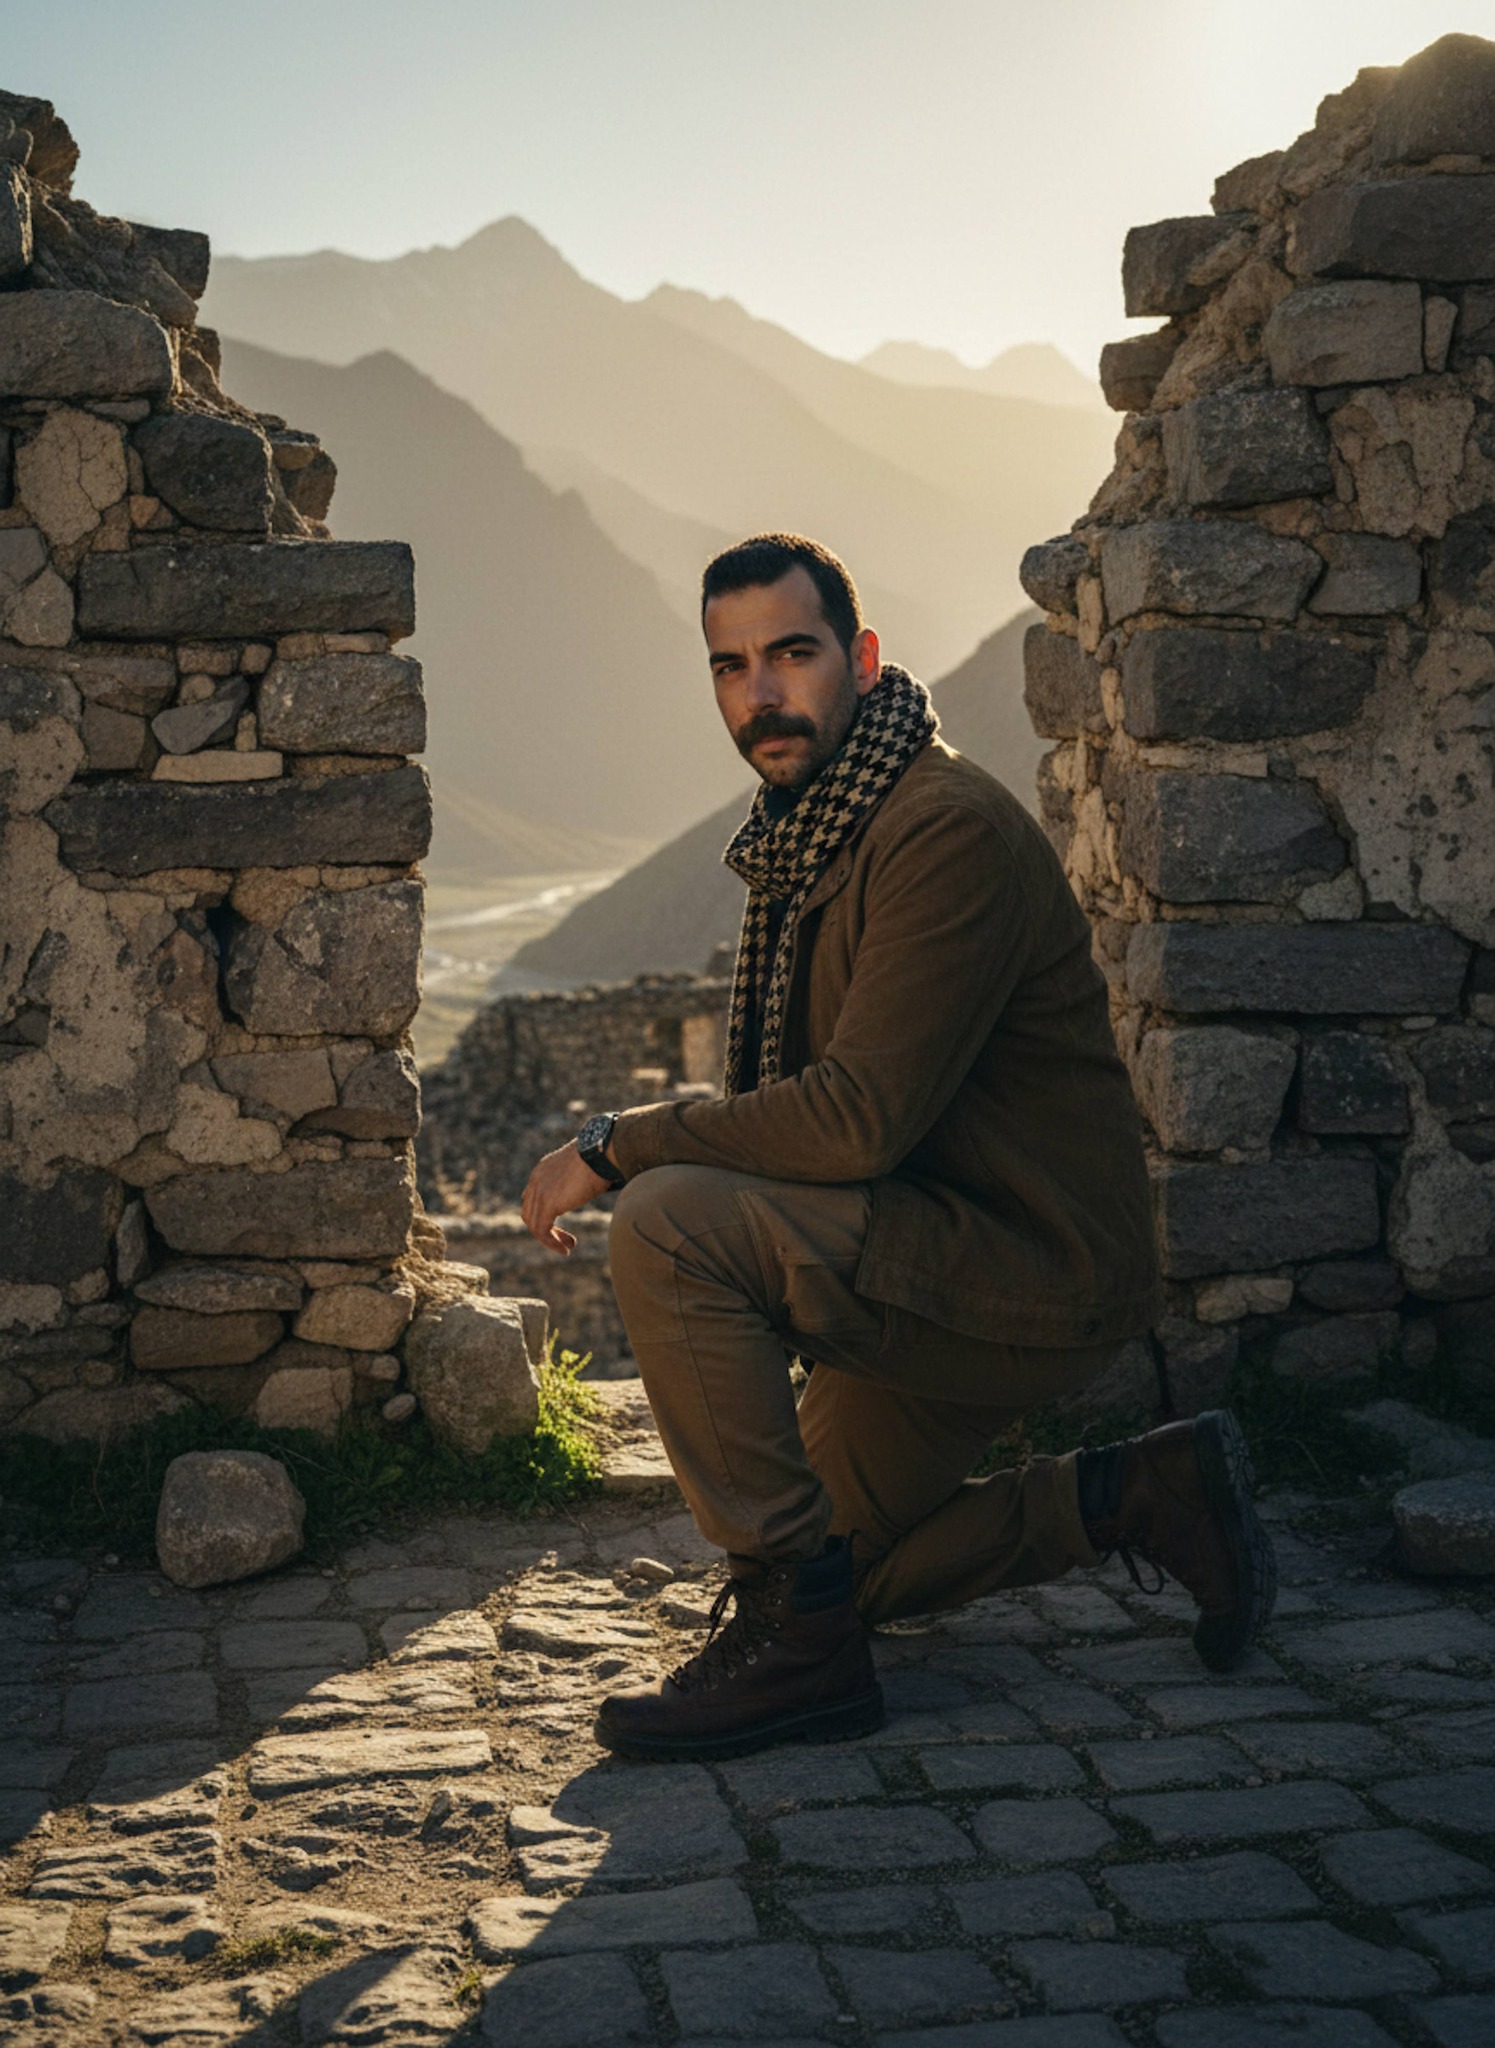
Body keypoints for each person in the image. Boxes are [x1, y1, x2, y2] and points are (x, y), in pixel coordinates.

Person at [521, 532, 1276, 1762]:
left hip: (1018, 1264)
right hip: (918, 1245)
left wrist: (622, 1143)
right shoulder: (811, 828)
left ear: (862, 661)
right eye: (729, 665)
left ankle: (795, 1661)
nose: (759, 691)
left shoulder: (937, 831)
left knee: (668, 1222)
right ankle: (1138, 1493)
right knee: (838, 1574)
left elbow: (855, 1116)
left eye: (791, 653)